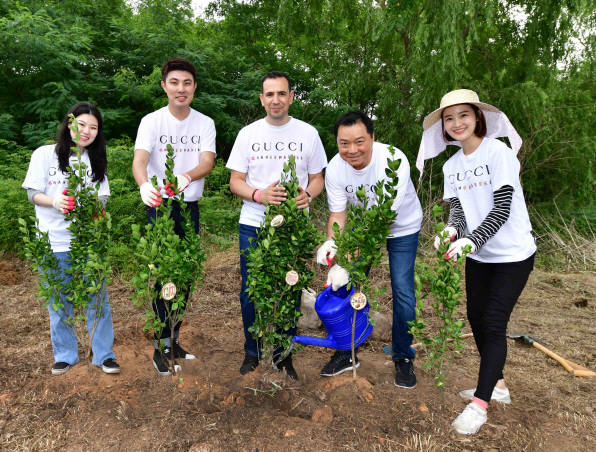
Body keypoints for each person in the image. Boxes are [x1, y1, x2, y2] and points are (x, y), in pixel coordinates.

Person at [420, 89, 535, 435]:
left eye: (464, 115)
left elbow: (501, 208)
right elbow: (458, 211)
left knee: (495, 321)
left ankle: (480, 405)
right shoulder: (451, 165)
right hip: (480, 255)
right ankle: (497, 385)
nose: (457, 123)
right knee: (475, 317)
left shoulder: (498, 153)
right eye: (449, 118)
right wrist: (451, 233)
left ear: (478, 117)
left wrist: (471, 239)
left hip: (513, 253)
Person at [226, 71, 328, 379]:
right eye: (269, 94)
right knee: (251, 290)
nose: (276, 100)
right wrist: (259, 194)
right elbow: (235, 182)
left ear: (291, 97)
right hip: (254, 224)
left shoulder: (308, 133)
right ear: (262, 99)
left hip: (293, 228)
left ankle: (283, 355)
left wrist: (307, 196)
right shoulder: (248, 134)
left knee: (290, 286)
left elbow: (317, 178)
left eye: (281, 93)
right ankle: (252, 352)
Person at [315, 111, 422, 387]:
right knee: (348, 288)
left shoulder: (393, 161)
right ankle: (346, 353)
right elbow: (338, 215)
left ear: (373, 138)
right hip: (364, 227)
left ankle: (403, 356)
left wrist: (349, 258)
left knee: (403, 292)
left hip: (402, 226)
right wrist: (334, 248)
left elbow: (384, 219)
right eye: (344, 143)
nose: (352, 150)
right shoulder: (336, 168)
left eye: (360, 141)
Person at [132, 57, 216, 376]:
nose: (181, 89)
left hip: (188, 205)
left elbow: (207, 162)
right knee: (165, 274)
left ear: (194, 87)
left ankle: (174, 338)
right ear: (164, 86)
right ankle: (161, 347)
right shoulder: (152, 121)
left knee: (185, 275)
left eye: (187, 83)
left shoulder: (204, 123)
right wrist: (144, 186)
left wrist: (186, 177)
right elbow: (140, 161)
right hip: (160, 207)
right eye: (174, 82)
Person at [22, 102, 120, 376]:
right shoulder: (44, 154)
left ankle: (104, 355)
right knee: (58, 300)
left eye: (94, 127)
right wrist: (55, 201)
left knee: (97, 300)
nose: (87, 131)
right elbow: (32, 193)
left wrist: (88, 207)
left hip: (86, 242)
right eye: (81, 124)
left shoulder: (95, 160)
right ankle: (65, 355)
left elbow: (102, 199)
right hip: (52, 241)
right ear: (69, 124)